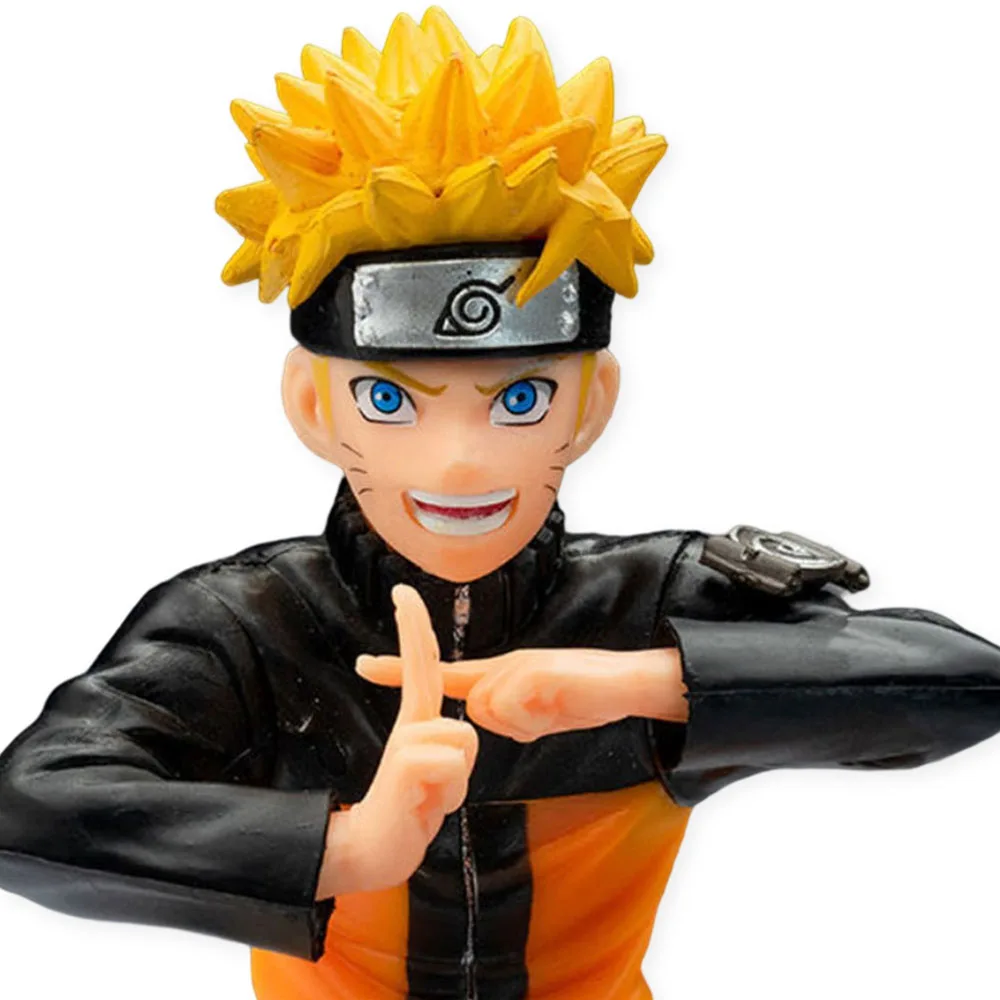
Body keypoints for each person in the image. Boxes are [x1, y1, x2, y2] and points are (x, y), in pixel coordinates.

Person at [1, 9, 998, 1000]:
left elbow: (961, 681)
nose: (462, 462)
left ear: (591, 406)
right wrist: (349, 845)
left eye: (521, 400)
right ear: (312, 406)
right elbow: (31, 810)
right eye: (388, 400)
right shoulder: (252, 626)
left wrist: (640, 683)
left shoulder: (654, 601)